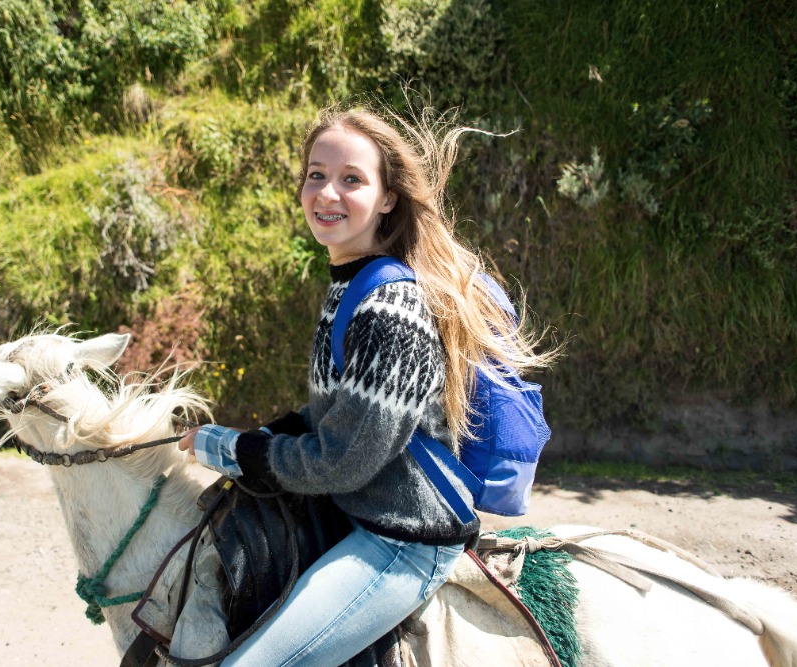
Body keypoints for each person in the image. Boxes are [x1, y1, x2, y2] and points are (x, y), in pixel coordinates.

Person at [179, 104, 555, 666]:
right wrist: (256, 437)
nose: (327, 193)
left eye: (352, 179)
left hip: (403, 539)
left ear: (387, 198)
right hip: (359, 512)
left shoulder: (390, 305)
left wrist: (231, 450)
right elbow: (335, 415)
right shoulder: (350, 284)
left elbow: (342, 461)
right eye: (316, 175)